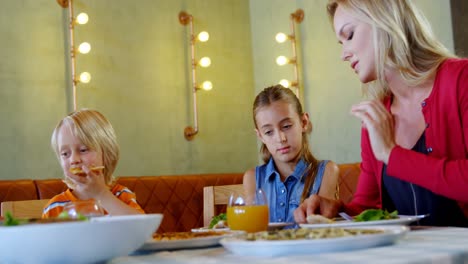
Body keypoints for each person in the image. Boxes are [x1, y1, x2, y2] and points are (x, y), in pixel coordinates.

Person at [294, 0, 468, 226]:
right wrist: (338, 211)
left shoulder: (461, 79)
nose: (343, 54)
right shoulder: (375, 118)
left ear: (384, 23)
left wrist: (391, 154)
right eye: (341, 42)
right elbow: (368, 207)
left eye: (349, 35)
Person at [243, 85, 340, 224]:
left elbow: (322, 229)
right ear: (260, 136)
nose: (280, 138)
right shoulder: (252, 178)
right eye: (269, 132)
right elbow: (252, 230)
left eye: (287, 126)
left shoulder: (327, 171)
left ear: (303, 122)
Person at [42, 109, 144, 218]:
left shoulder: (121, 195)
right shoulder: (55, 207)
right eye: (65, 153)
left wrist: (101, 194)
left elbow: (143, 229)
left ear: (107, 153)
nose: (73, 160)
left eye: (83, 150)